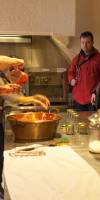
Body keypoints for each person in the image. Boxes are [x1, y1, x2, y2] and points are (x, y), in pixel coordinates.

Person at [0, 56, 50, 198]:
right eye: (12, 69)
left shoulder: (3, 74)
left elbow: (10, 97)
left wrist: (33, 98)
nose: (15, 72)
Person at [68, 31, 100, 111]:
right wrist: (71, 80)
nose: (85, 45)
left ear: (92, 43)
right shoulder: (76, 59)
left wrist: (96, 92)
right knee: (80, 122)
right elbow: (71, 72)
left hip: (92, 99)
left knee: (92, 122)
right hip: (78, 98)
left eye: (88, 42)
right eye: (82, 42)